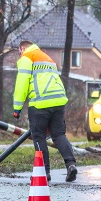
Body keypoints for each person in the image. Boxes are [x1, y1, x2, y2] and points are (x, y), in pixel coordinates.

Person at [12, 40, 77, 182]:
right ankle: (71, 164)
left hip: (40, 103)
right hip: (59, 100)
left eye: (19, 52)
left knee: (39, 137)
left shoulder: (27, 58)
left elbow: (21, 84)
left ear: (22, 48)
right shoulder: (46, 57)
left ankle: (44, 172)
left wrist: (17, 108)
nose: (19, 55)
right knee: (59, 135)